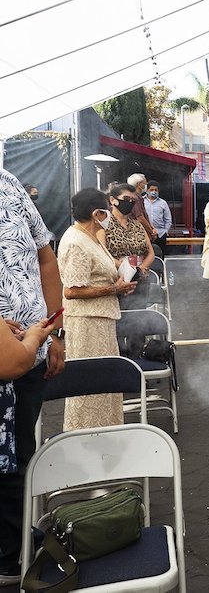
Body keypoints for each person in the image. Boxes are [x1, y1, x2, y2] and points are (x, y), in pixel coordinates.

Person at [0, 167, 65, 587]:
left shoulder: (7, 181)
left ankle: (15, 549)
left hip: (31, 357)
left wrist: (54, 332)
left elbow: (44, 257)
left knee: (21, 459)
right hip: (7, 362)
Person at [58, 188, 136, 431]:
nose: (110, 215)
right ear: (95, 213)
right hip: (85, 322)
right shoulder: (75, 242)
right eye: (106, 211)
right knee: (89, 385)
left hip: (100, 319)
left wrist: (120, 279)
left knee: (105, 382)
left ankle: (106, 432)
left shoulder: (91, 237)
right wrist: (113, 290)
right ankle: (84, 435)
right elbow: (72, 290)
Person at [102, 183, 154, 310]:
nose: (130, 202)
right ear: (112, 200)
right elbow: (102, 254)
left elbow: (150, 252)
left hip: (140, 280)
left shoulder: (137, 225)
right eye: (126, 199)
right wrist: (127, 269)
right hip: (116, 281)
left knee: (138, 318)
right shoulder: (104, 225)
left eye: (133, 200)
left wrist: (140, 269)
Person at [126, 173, 157, 241]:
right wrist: (151, 231)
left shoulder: (139, 198)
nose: (146, 184)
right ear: (139, 185)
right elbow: (140, 218)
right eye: (144, 182)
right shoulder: (135, 198)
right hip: (139, 235)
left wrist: (152, 227)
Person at [144, 180, 172, 255]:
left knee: (160, 255)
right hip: (145, 233)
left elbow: (168, 219)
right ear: (147, 190)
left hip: (160, 234)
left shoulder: (163, 203)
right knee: (146, 256)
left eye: (156, 190)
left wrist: (165, 231)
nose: (154, 191)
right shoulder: (142, 201)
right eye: (151, 190)